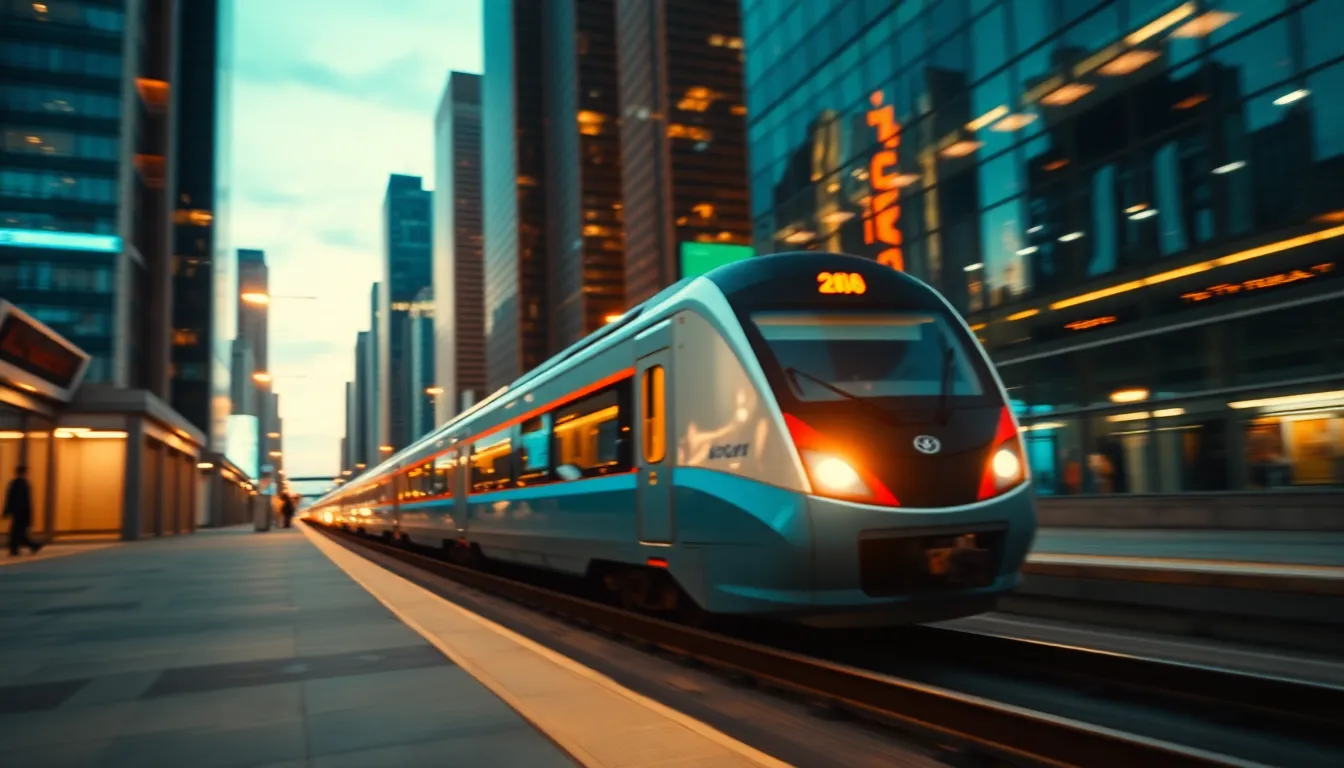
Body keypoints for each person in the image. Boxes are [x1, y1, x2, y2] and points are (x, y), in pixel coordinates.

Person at [4, 466, 44, 556]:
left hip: (16, 512)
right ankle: (28, 546)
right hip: (23, 512)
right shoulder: (24, 484)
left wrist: (7, 510)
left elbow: (9, 498)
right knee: (18, 531)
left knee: (17, 531)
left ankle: (25, 547)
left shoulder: (13, 483)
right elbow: (26, 501)